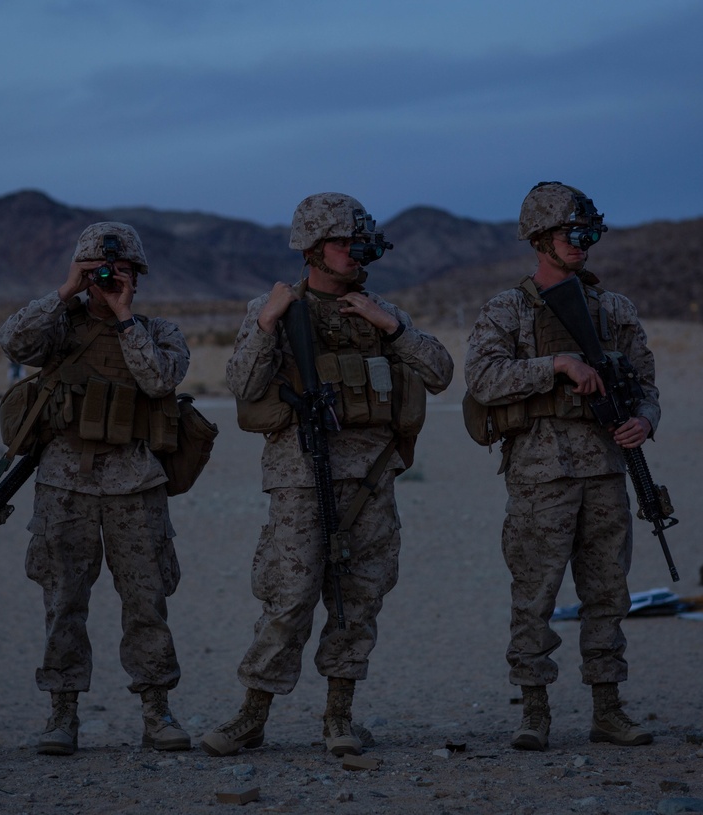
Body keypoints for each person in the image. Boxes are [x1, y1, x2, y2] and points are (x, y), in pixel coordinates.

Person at [201, 192, 454, 758]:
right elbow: (242, 386)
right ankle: (251, 716)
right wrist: (268, 322)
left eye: (361, 243)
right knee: (289, 598)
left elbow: (439, 372)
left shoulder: (383, 312)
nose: (357, 254)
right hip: (300, 477)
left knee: (358, 599)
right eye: (345, 243)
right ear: (313, 249)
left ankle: (338, 717)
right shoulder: (275, 310)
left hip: (371, 479)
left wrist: (390, 327)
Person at [463, 182, 660, 751]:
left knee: (608, 592)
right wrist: (556, 365)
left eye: (589, 234)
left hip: (606, 467)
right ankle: (534, 711)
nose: (583, 244)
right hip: (540, 473)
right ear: (540, 238)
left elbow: (647, 387)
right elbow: (483, 378)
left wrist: (644, 422)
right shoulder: (509, 309)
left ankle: (608, 708)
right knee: (535, 594)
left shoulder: (615, 310)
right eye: (573, 234)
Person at [0, 221, 192, 756]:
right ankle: (62, 715)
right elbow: (14, 341)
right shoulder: (60, 328)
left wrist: (126, 317)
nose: (111, 279)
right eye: (100, 271)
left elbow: (158, 380)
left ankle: (157, 712)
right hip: (64, 483)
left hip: (136, 483)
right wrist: (65, 290)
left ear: (139, 276)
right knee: (63, 602)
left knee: (146, 602)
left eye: (122, 270)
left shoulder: (161, 333)